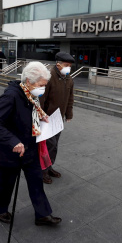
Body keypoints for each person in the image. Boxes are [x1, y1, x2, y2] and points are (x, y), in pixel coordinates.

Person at [0, 61, 62, 226]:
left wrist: (41, 116)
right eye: (41, 85)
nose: (43, 89)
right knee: (5, 183)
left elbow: (30, 111)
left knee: (36, 181)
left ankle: (42, 214)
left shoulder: (31, 94)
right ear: (29, 81)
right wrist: (13, 141)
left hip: (31, 148)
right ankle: (0, 209)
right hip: (11, 151)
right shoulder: (11, 96)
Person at [40, 52, 75, 184]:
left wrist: (69, 114)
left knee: (54, 146)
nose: (68, 68)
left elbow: (70, 98)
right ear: (58, 64)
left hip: (58, 119)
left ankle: (49, 167)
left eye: (70, 66)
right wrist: (41, 115)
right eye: (66, 65)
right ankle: (42, 171)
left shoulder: (68, 78)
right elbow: (41, 98)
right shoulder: (48, 77)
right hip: (47, 118)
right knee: (48, 145)